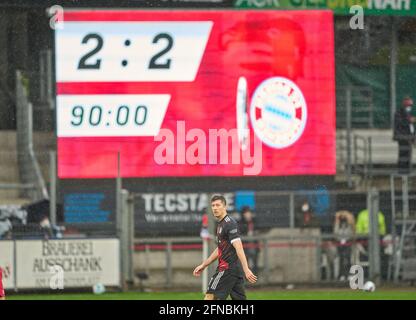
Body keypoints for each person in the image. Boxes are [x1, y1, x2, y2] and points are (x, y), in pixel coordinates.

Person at [193, 195, 257, 300]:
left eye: (218, 205)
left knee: (210, 296)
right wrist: (204, 265)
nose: (215, 208)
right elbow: (220, 249)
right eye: (213, 205)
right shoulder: (221, 224)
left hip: (226, 269)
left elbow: (239, 247)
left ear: (225, 206)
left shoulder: (229, 224)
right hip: (234, 270)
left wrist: (246, 269)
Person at [393, 96, 415, 174]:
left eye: (410, 106)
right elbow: (401, 124)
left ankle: (407, 170)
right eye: (408, 106)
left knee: (408, 154)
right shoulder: (399, 113)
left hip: (408, 137)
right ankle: (402, 170)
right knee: (403, 153)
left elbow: (411, 128)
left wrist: (413, 138)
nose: (409, 107)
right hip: (402, 137)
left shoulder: (408, 114)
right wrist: (409, 120)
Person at [333, 210, 355, 281]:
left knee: (348, 258)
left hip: (348, 243)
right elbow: (335, 234)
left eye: (344, 217)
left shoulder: (349, 225)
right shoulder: (338, 225)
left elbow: (352, 233)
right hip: (340, 244)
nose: (343, 218)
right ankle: (341, 274)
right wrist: (338, 217)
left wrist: (347, 215)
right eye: (342, 217)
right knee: (341, 259)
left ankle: (349, 274)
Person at [239, 206, 260, 275]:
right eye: (246, 213)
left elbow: (258, 230)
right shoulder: (241, 222)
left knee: (255, 263)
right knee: (245, 264)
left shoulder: (254, 221)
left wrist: (254, 232)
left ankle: (255, 278)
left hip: (254, 246)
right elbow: (240, 233)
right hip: (245, 247)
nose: (248, 215)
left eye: (249, 213)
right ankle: (246, 280)